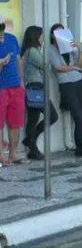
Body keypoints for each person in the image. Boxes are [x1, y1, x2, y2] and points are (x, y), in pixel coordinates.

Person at [49, 23, 82, 158]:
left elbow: (80, 64)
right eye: (56, 33)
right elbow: (58, 67)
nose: (59, 35)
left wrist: (80, 49)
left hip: (79, 82)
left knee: (81, 115)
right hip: (66, 84)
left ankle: (80, 148)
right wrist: (74, 68)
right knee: (77, 115)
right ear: (52, 35)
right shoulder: (50, 49)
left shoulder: (69, 47)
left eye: (61, 32)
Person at [21, 26, 59, 160]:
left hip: (35, 87)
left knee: (32, 120)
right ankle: (31, 142)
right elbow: (46, 65)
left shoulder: (31, 51)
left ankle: (31, 144)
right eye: (41, 36)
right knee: (52, 115)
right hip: (35, 88)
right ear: (35, 36)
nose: (43, 38)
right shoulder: (32, 51)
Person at [0, 16, 25, 166]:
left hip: (15, 86)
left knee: (15, 122)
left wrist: (21, 81)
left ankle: (13, 153)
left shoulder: (12, 39)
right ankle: (1, 156)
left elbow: (18, 60)